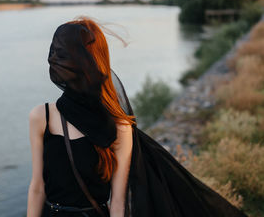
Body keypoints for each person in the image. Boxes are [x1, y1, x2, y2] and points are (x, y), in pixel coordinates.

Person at [27, 17, 248, 217]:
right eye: (55, 52)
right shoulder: (41, 116)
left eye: (63, 54)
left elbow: (118, 204)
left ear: (87, 62)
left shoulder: (119, 127)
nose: (55, 59)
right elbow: (38, 186)